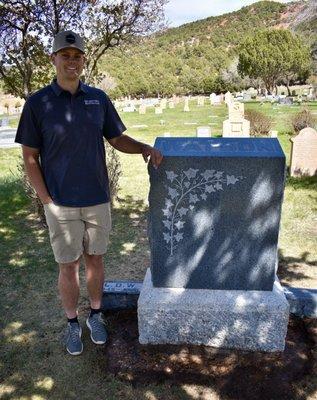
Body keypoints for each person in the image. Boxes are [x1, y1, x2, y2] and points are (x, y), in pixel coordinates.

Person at [15, 30, 163, 356]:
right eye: (65, 55)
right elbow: (29, 157)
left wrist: (143, 148)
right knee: (68, 266)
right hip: (61, 203)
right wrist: (47, 202)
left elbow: (116, 138)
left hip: (97, 198)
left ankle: (96, 315)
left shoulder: (98, 98)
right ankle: (72, 323)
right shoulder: (38, 104)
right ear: (53, 59)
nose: (72, 61)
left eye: (77, 56)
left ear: (84, 60)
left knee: (95, 260)